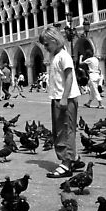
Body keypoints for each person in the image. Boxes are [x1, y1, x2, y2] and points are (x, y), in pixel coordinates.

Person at [39, 26, 83, 178]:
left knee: (66, 130)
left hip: (66, 98)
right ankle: (73, 158)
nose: (45, 47)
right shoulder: (54, 56)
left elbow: (70, 77)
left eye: (46, 44)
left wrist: (64, 98)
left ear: (54, 40)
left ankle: (66, 163)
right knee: (59, 130)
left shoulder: (64, 56)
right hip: (57, 98)